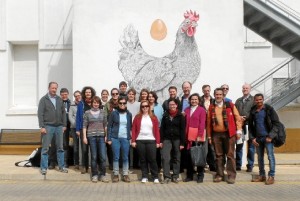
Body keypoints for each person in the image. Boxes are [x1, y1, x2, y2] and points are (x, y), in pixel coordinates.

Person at [206, 88, 242, 184]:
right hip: (216, 135)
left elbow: (237, 118)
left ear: (223, 95)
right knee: (218, 156)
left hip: (229, 134)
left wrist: (238, 131)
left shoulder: (230, 105)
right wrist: (209, 136)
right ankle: (219, 174)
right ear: (214, 95)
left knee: (230, 155)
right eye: (216, 94)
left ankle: (231, 176)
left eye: (220, 94)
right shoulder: (211, 107)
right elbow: (209, 122)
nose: (218, 96)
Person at [249, 93, 280, 185]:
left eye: (260, 99)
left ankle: (271, 176)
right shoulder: (253, 111)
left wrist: (270, 136)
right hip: (258, 138)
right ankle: (262, 175)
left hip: (268, 138)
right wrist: (252, 138)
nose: (258, 101)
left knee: (270, 156)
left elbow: (276, 124)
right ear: (254, 100)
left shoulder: (269, 109)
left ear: (263, 99)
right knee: (260, 158)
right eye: (257, 100)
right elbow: (250, 126)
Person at [37, 82, 68, 175]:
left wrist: (64, 125)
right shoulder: (43, 99)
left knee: (60, 148)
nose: (54, 90)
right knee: (45, 148)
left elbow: (63, 113)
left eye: (55, 88)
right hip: (48, 126)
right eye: (52, 88)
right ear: (49, 88)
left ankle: (62, 166)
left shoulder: (59, 99)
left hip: (59, 126)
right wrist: (42, 126)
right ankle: (44, 168)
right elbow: (40, 113)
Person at [131, 100, 160, 184]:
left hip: (151, 140)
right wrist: (133, 140)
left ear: (149, 107)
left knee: (152, 159)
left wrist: (158, 142)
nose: (145, 108)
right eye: (143, 106)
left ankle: (155, 177)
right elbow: (133, 129)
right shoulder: (137, 117)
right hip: (140, 140)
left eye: (146, 106)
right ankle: (145, 176)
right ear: (141, 107)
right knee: (143, 160)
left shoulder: (154, 117)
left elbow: (157, 130)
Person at [82, 96, 109, 183]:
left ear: (99, 103)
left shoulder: (103, 112)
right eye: (94, 102)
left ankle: (103, 175)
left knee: (102, 157)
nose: (96, 104)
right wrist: (84, 137)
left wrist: (106, 136)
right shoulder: (87, 113)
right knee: (94, 156)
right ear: (92, 103)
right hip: (91, 137)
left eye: (97, 103)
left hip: (101, 136)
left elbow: (105, 125)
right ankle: (94, 175)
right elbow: (84, 126)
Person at [107, 97, 132, 183]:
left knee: (125, 157)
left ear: (126, 104)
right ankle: (116, 174)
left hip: (125, 138)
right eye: (120, 103)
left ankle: (125, 174)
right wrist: (109, 138)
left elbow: (130, 127)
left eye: (124, 103)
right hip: (115, 138)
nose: (122, 105)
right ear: (118, 104)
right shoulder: (114, 113)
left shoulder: (129, 114)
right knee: (116, 157)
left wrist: (130, 138)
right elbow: (109, 126)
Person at [160, 98, 185, 184]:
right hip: (167, 139)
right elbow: (162, 129)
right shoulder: (165, 115)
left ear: (176, 105)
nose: (172, 106)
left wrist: (182, 143)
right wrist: (161, 140)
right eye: (170, 105)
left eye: (173, 104)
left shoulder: (180, 116)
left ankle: (175, 176)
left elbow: (182, 130)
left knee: (176, 158)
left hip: (177, 139)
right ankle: (166, 177)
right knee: (165, 157)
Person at [184, 93, 207, 183]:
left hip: (197, 136)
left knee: (199, 156)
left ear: (199, 100)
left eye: (195, 99)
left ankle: (200, 175)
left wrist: (199, 135)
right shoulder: (186, 110)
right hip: (188, 136)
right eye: (192, 99)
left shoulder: (201, 110)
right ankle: (189, 175)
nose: (194, 101)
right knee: (189, 156)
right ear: (190, 100)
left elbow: (202, 123)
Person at [76, 86, 96, 174]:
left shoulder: (94, 103)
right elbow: (78, 117)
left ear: (92, 93)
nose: (88, 93)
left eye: (89, 92)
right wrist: (77, 129)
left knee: (93, 149)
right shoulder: (81, 103)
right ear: (84, 94)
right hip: (83, 129)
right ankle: (84, 166)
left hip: (92, 129)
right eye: (86, 92)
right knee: (84, 149)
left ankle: (93, 166)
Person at [235, 83, 254, 171]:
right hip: (240, 126)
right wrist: (239, 118)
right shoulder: (238, 100)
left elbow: (254, 113)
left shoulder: (253, 100)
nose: (245, 89)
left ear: (250, 89)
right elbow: (235, 112)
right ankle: (238, 165)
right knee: (239, 145)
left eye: (247, 88)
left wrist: (246, 117)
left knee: (250, 146)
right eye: (243, 88)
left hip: (250, 126)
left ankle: (250, 165)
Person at [200, 84, 216, 172]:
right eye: (205, 90)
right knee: (203, 146)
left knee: (211, 147)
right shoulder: (200, 100)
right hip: (203, 125)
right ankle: (202, 165)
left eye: (208, 90)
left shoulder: (213, 100)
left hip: (211, 125)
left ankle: (212, 165)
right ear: (203, 91)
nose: (207, 92)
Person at [104, 88, 120, 170]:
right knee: (110, 147)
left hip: (120, 128)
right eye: (113, 94)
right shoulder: (107, 104)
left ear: (118, 94)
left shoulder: (122, 103)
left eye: (116, 93)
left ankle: (119, 164)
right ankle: (111, 164)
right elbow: (105, 117)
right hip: (111, 127)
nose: (115, 95)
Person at [148, 91, 164, 170]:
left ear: (155, 98)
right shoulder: (145, 106)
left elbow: (162, 118)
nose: (151, 98)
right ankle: (150, 167)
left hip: (157, 130)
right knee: (149, 149)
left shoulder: (159, 107)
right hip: (148, 131)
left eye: (152, 96)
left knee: (157, 148)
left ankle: (158, 166)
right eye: (149, 96)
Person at [68, 90, 82, 170]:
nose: (77, 97)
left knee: (83, 146)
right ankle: (76, 163)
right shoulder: (72, 105)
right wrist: (77, 126)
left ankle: (83, 162)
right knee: (76, 146)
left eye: (79, 95)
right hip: (74, 128)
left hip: (82, 128)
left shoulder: (83, 104)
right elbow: (70, 117)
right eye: (76, 96)